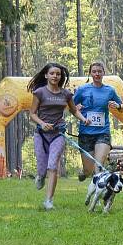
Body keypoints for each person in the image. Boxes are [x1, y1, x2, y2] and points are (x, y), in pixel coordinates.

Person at [28, 63, 90, 211]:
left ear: (61, 77)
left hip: (58, 134)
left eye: (58, 74)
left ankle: (48, 201)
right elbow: (32, 114)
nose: (55, 76)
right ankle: (40, 176)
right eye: (52, 73)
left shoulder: (66, 94)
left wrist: (84, 119)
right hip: (41, 135)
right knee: (43, 169)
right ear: (46, 75)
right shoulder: (39, 92)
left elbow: (74, 110)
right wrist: (42, 123)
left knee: (52, 166)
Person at [73, 62, 123, 180]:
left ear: (103, 73)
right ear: (90, 73)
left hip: (103, 133)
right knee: (89, 170)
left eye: (99, 71)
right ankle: (85, 172)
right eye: (94, 71)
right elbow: (71, 107)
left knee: (98, 166)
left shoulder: (109, 90)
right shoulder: (82, 89)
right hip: (86, 133)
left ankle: (97, 194)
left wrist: (118, 106)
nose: (97, 74)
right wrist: (79, 113)